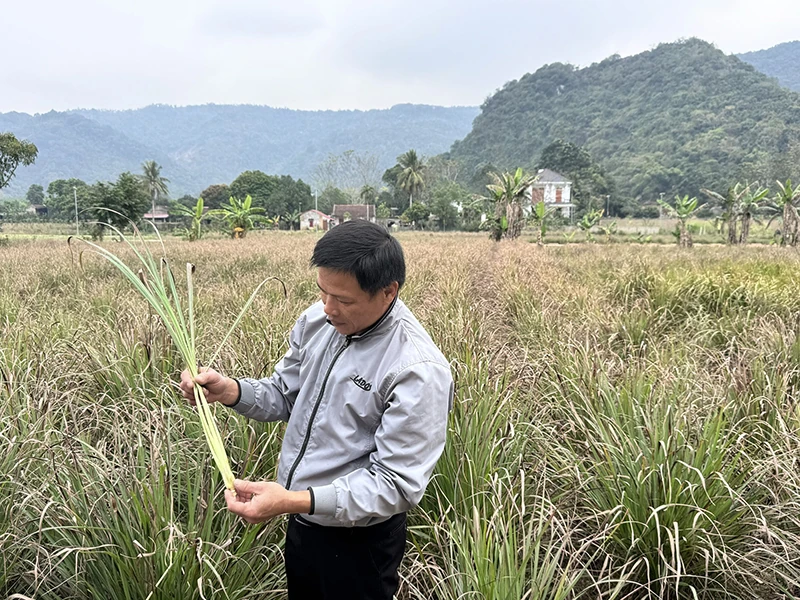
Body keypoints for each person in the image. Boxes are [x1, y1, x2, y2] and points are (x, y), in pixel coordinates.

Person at [179, 219, 454, 599]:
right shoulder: (316, 322)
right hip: (302, 523)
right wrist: (229, 390)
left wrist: (292, 500)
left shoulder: (417, 370)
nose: (328, 309)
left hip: (361, 542)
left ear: (388, 292)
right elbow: (284, 393)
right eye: (323, 292)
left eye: (343, 300)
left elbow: (395, 486)